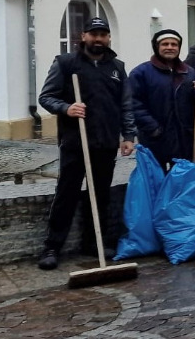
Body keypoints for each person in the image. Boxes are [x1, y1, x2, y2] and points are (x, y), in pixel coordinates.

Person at [37, 17, 136, 270]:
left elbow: (125, 105)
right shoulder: (66, 63)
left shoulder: (117, 67)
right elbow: (46, 97)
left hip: (105, 142)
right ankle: (52, 246)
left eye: (103, 34)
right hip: (75, 141)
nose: (98, 39)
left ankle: (93, 243)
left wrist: (128, 136)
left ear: (109, 38)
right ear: (84, 36)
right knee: (66, 194)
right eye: (94, 34)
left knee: (100, 195)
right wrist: (67, 108)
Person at [129, 29, 195, 171]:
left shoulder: (189, 73)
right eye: (165, 44)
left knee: (181, 178)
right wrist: (153, 128)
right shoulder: (141, 73)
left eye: (174, 44)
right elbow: (134, 104)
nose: (170, 47)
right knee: (156, 177)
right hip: (154, 139)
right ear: (156, 47)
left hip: (183, 139)